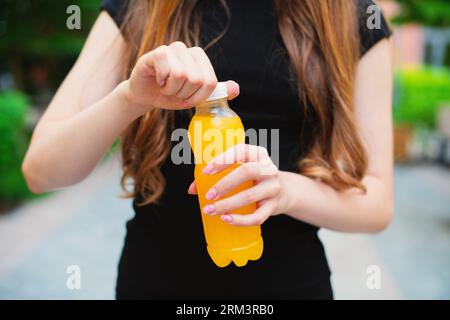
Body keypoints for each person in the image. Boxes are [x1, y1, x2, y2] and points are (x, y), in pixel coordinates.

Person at [22, 0, 393, 299]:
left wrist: (285, 190)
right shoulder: (140, 7)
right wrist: (130, 98)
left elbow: (376, 206)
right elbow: (41, 171)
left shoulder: (353, 16)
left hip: (291, 287)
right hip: (155, 285)